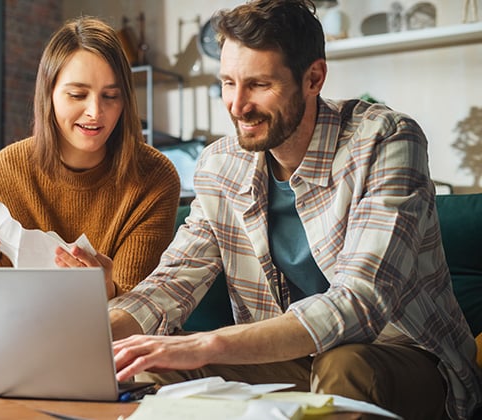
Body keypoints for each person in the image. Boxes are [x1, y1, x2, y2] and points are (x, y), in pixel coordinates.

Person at [107, 1, 482, 419]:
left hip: (399, 356)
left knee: (344, 364)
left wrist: (208, 342)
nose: (236, 105)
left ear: (313, 78)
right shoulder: (220, 164)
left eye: (259, 85)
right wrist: (94, 334)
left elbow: (359, 303)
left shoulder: (385, 140)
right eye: (228, 83)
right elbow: (172, 283)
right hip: (287, 361)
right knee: (143, 365)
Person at [0, 17, 181, 299]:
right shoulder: (6, 171)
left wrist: (105, 290)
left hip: (119, 337)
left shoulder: (155, 176)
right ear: (48, 94)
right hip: (26, 333)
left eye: (111, 96)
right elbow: (1, 300)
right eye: (77, 94)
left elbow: (139, 309)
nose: (95, 112)